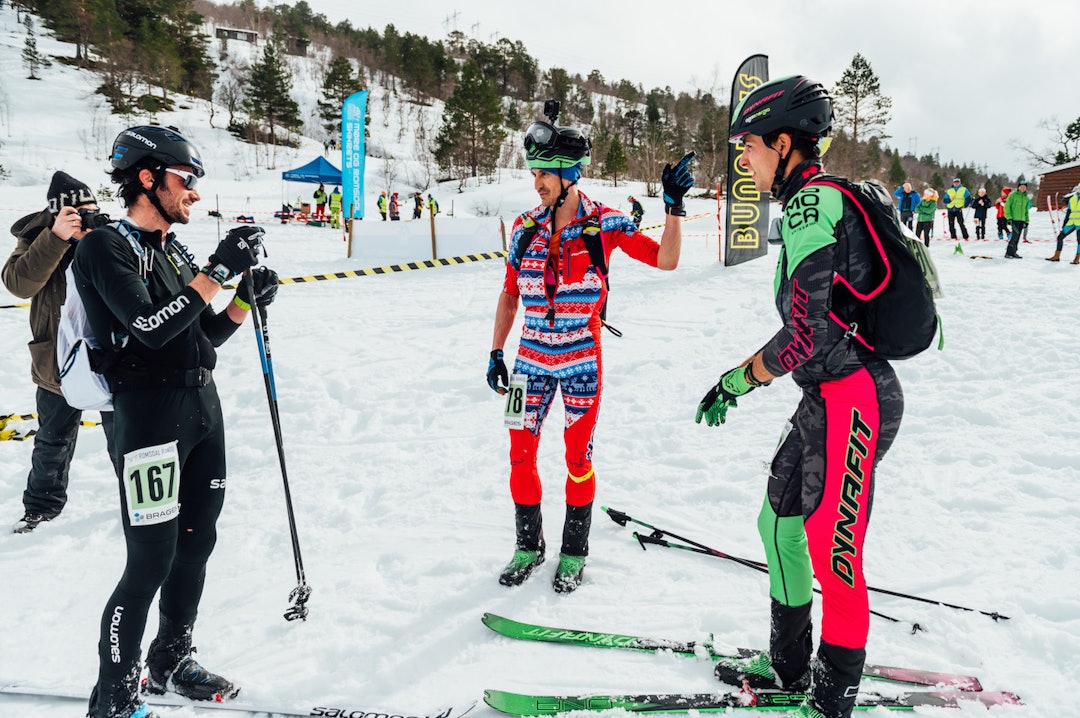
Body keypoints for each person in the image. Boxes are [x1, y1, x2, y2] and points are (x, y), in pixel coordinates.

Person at [698, 76, 904, 718]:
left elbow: (808, 335)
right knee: (778, 522)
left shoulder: (812, 206)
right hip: (825, 397)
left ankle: (832, 697)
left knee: (830, 548)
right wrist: (742, 375)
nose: (745, 162)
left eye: (750, 149)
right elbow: (809, 329)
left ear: (783, 144)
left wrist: (742, 378)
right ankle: (789, 668)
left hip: (856, 398)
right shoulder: (809, 205)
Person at [74, 125, 279, 718]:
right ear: (148, 178)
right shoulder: (104, 247)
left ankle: (170, 657)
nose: (193, 193)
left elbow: (199, 333)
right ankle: (114, 692)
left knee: (197, 543)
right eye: (186, 181)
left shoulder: (172, 250)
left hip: (200, 410)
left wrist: (243, 299)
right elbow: (149, 326)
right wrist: (217, 268)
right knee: (151, 557)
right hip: (148, 417)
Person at [486, 105, 693, 595]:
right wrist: (496, 351)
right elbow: (510, 293)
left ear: (569, 174)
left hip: (582, 361)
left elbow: (666, 260)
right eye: (534, 173)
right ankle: (527, 545)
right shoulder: (523, 228)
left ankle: (574, 551)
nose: (537, 182)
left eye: (545, 174)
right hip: (526, 366)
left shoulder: (607, 224)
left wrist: (674, 208)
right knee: (519, 456)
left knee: (577, 458)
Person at [3, 172, 117, 533]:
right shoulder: (37, 238)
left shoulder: (109, 236)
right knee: (52, 441)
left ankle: (141, 504)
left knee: (126, 437)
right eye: (79, 212)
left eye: (93, 210)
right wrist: (56, 239)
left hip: (111, 356)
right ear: (57, 212)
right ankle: (40, 509)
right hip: (57, 360)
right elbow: (20, 285)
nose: (89, 217)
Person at [1048, 182, 1080, 263]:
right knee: (1060, 237)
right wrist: (1065, 223)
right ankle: (1056, 256)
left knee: (1079, 241)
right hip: (1071, 222)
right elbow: (1069, 211)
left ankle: (1077, 258)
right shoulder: (1073, 198)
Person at [1003, 178, 1030, 258]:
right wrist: (1009, 217)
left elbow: (1026, 210)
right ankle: (1008, 252)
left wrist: (1026, 221)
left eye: (1024, 187)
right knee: (1015, 235)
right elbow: (1007, 207)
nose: (1022, 188)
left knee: (1018, 236)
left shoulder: (1026, 197)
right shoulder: (1013, 195)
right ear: (1018, 187)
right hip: (1014, 219)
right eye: (1021, 186)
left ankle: (1014, 252)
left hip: (1022, 220)